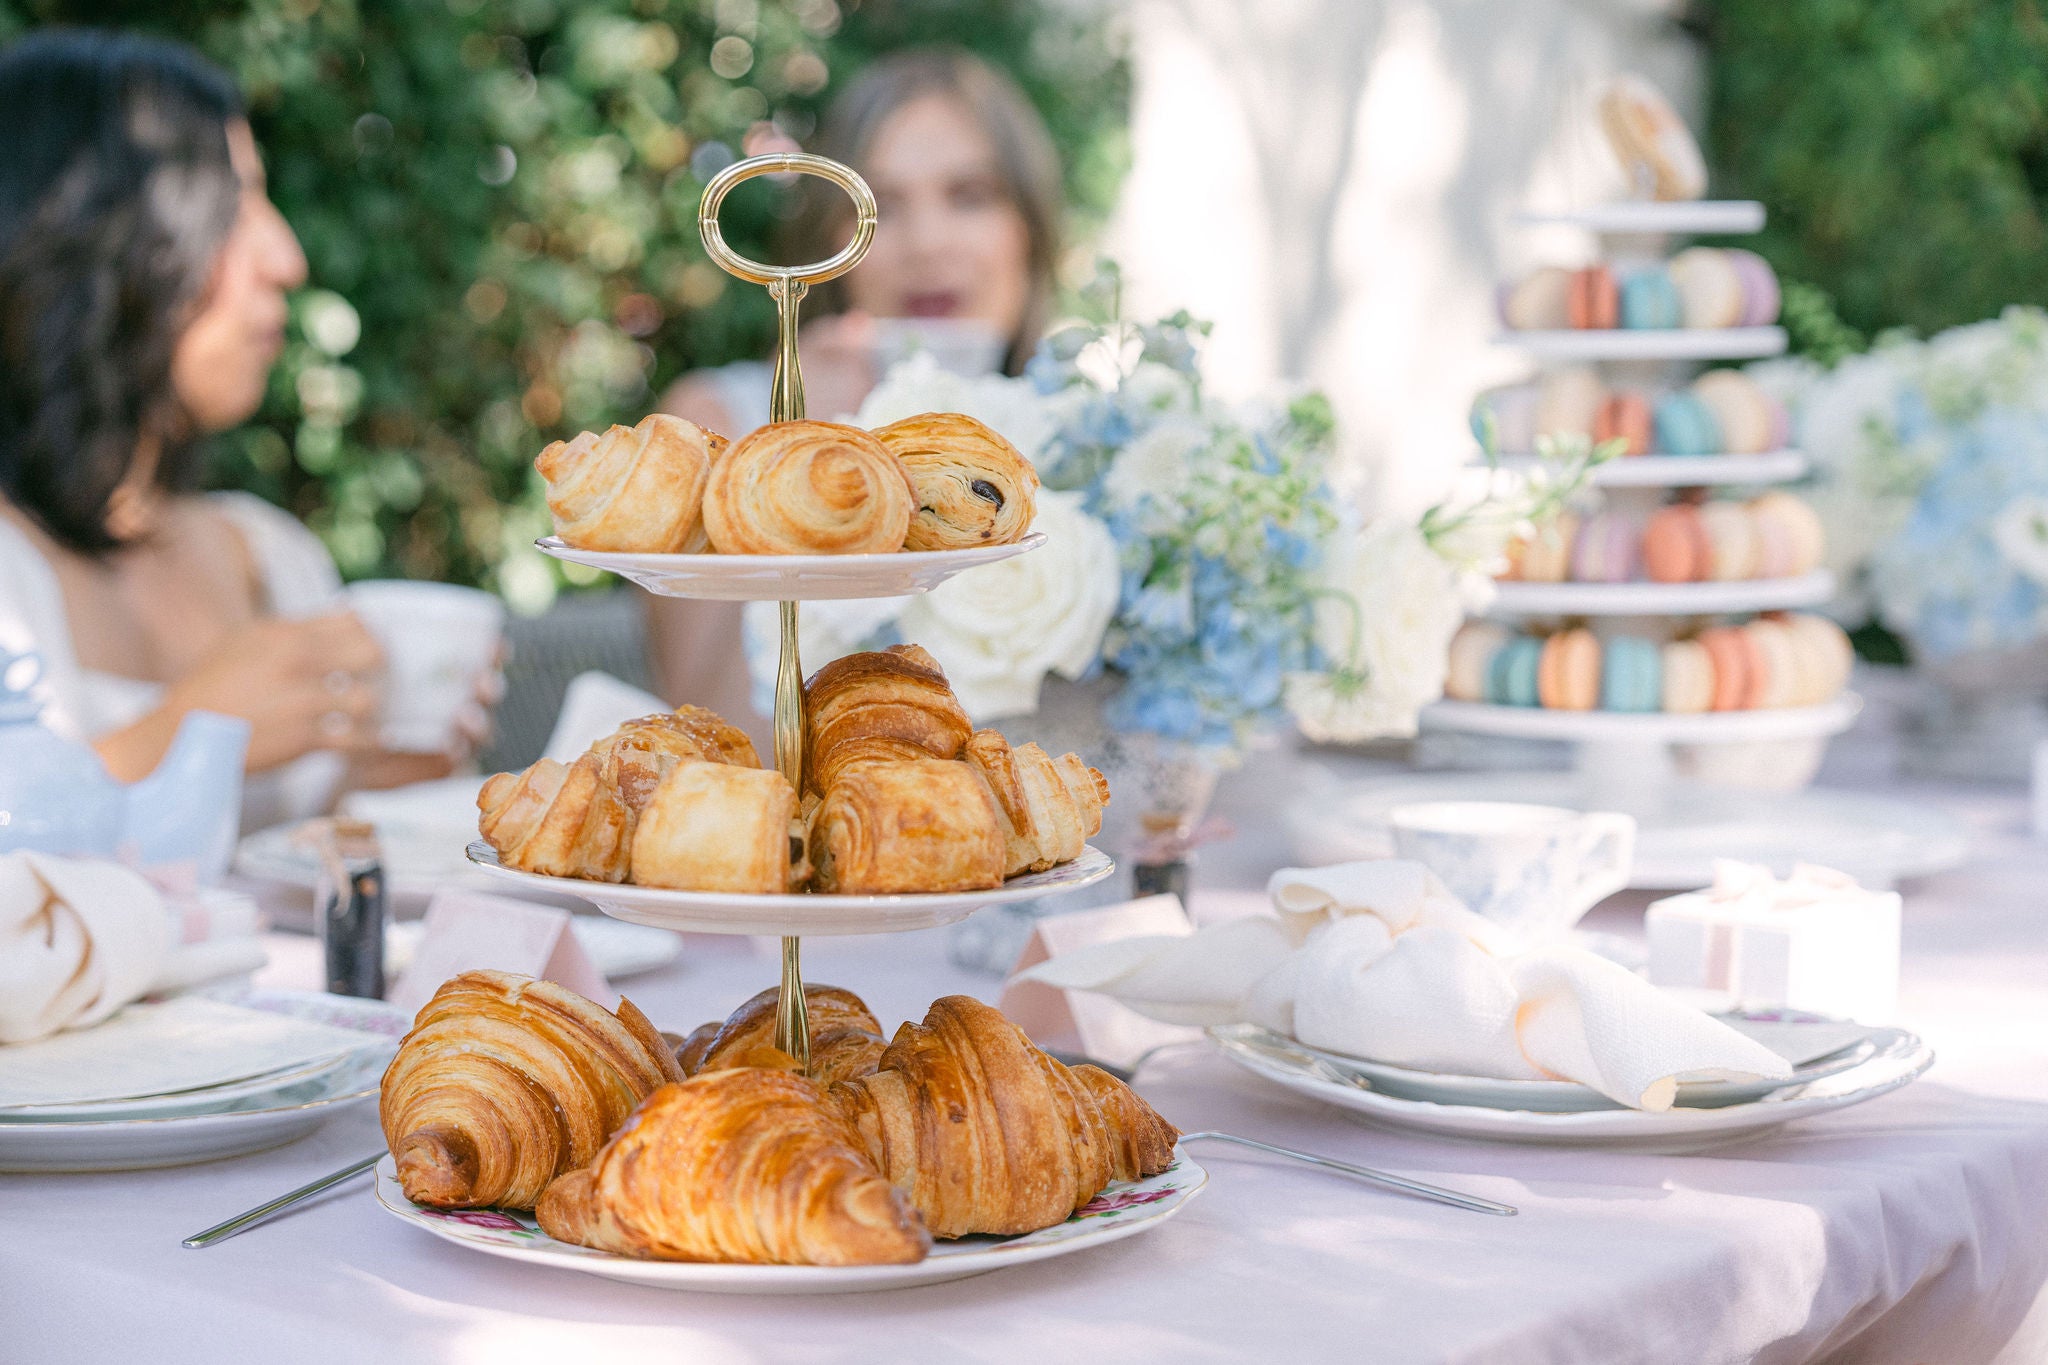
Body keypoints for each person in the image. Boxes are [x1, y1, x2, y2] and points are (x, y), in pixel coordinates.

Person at [0, 31, 487, 829]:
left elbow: (299, 873)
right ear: (88, 239)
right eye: (233, 207)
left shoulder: (270, 556)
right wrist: (189, 737)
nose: (286, 258)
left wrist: (392, 782)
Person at [650, 47, 1064, 733]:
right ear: (829, 240)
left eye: (970, 195)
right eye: (883, 206)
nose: (927, 243)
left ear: (1032, 232)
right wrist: (805, 456)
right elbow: (714, 741)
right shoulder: (718, 427)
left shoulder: (1085, 433)